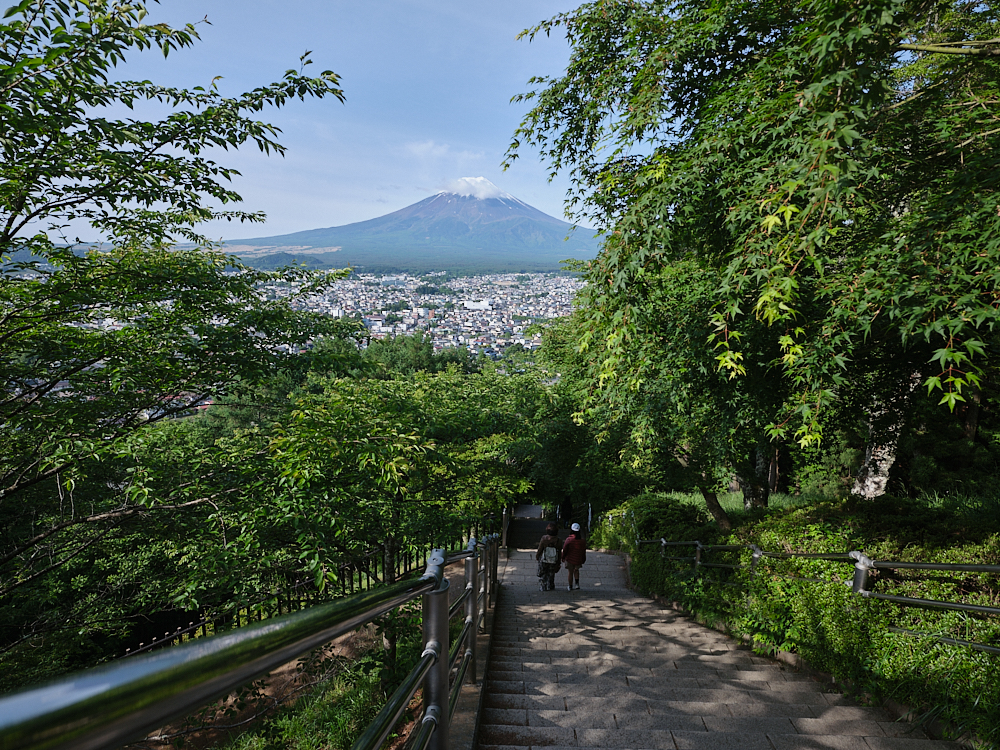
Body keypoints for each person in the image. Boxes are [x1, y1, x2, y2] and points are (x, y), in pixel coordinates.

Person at [536, 522, 563, 591]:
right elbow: (559, 551)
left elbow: (540, 548)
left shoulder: (544, 539)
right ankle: (550, 585)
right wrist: (559, 561)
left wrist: (538, 555)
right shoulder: (559, 541)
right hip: (554, 559)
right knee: (551, 572)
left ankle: (543, 586)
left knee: (543, 572)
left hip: (544, 558)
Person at [562, 522, 586, 590]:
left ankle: (570, 586)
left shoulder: (569, 539)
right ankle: (577, 584)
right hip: (578, 558)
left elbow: (564, 549)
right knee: (576, 570)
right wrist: (583, 559)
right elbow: (583, 551)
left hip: (570, 558)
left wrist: (563, 557)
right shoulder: (582, 541)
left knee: (570, 572)